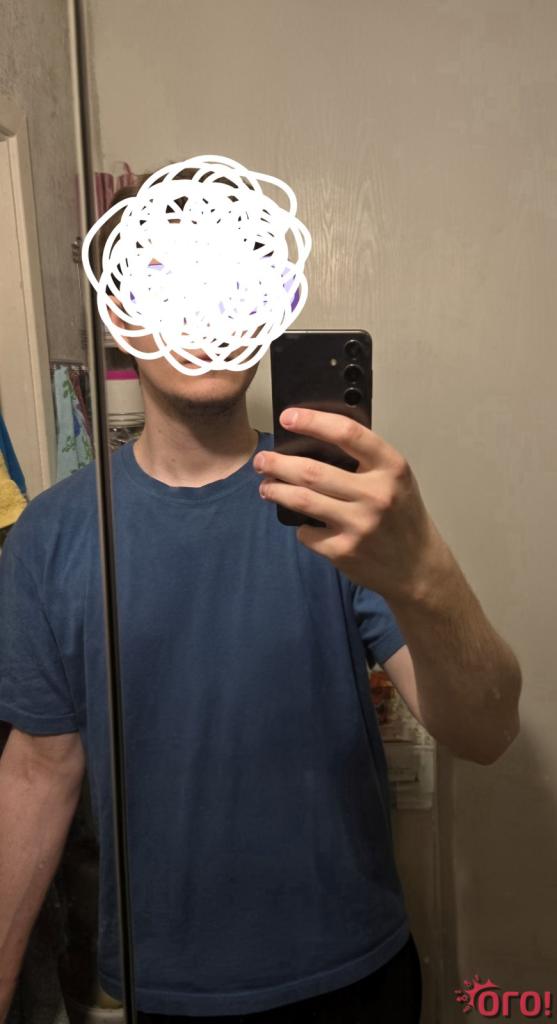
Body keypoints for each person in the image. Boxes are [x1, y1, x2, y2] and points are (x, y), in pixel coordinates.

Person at [0, 176, 521, 1024]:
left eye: (231, 274)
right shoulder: (51, 536)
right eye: (169, 276)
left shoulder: (340, 507)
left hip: (355, 978)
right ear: (119, 315)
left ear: (270, 305)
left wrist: (425, 569)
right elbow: (37, 769)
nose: (202, 305)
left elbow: (487, 732)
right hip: (161, 989)